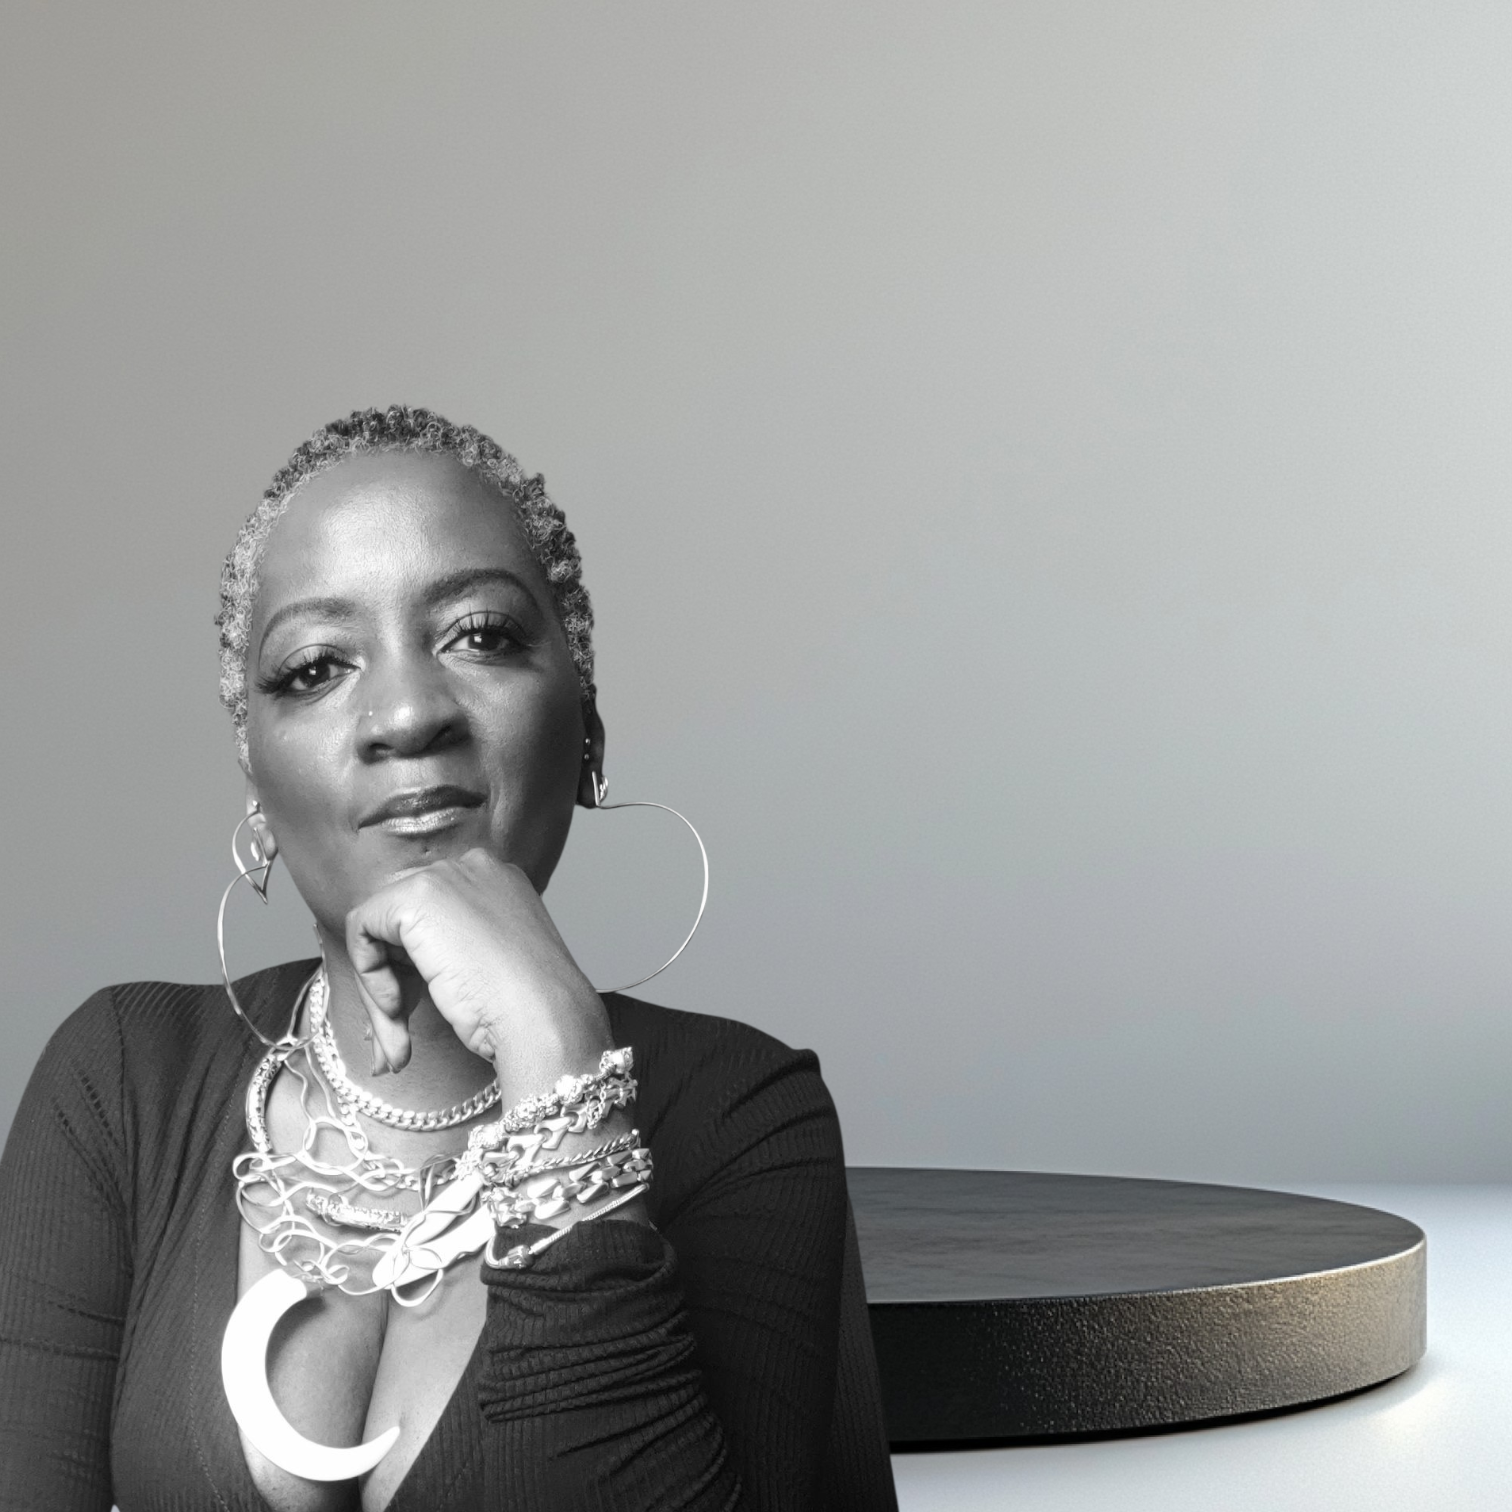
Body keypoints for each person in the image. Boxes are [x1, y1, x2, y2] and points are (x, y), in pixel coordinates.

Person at [0, 407, 896, 1511]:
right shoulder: (120, 1084)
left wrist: (561, 1071)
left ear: (587, 728)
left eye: (479, 635)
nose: (409, 713)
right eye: (317, 666)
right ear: (257, 784)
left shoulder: (744, 1119)